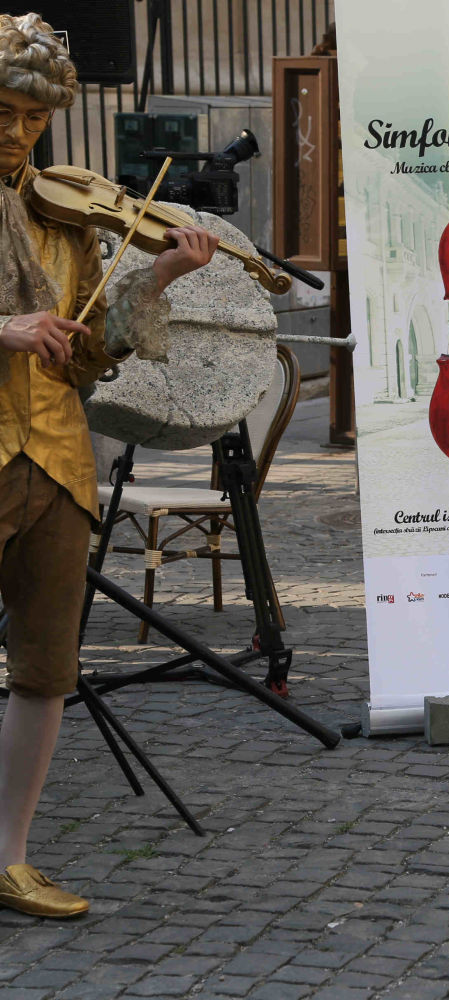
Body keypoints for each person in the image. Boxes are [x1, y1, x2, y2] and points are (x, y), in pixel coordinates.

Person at [0, 13, 219, 918]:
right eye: (3, 113)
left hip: (54, 460)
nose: (18, 133)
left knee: (46, 667)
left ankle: (9, 856)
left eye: (34, 119)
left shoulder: (64, 218)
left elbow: (87, 355)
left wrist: (157, 278)